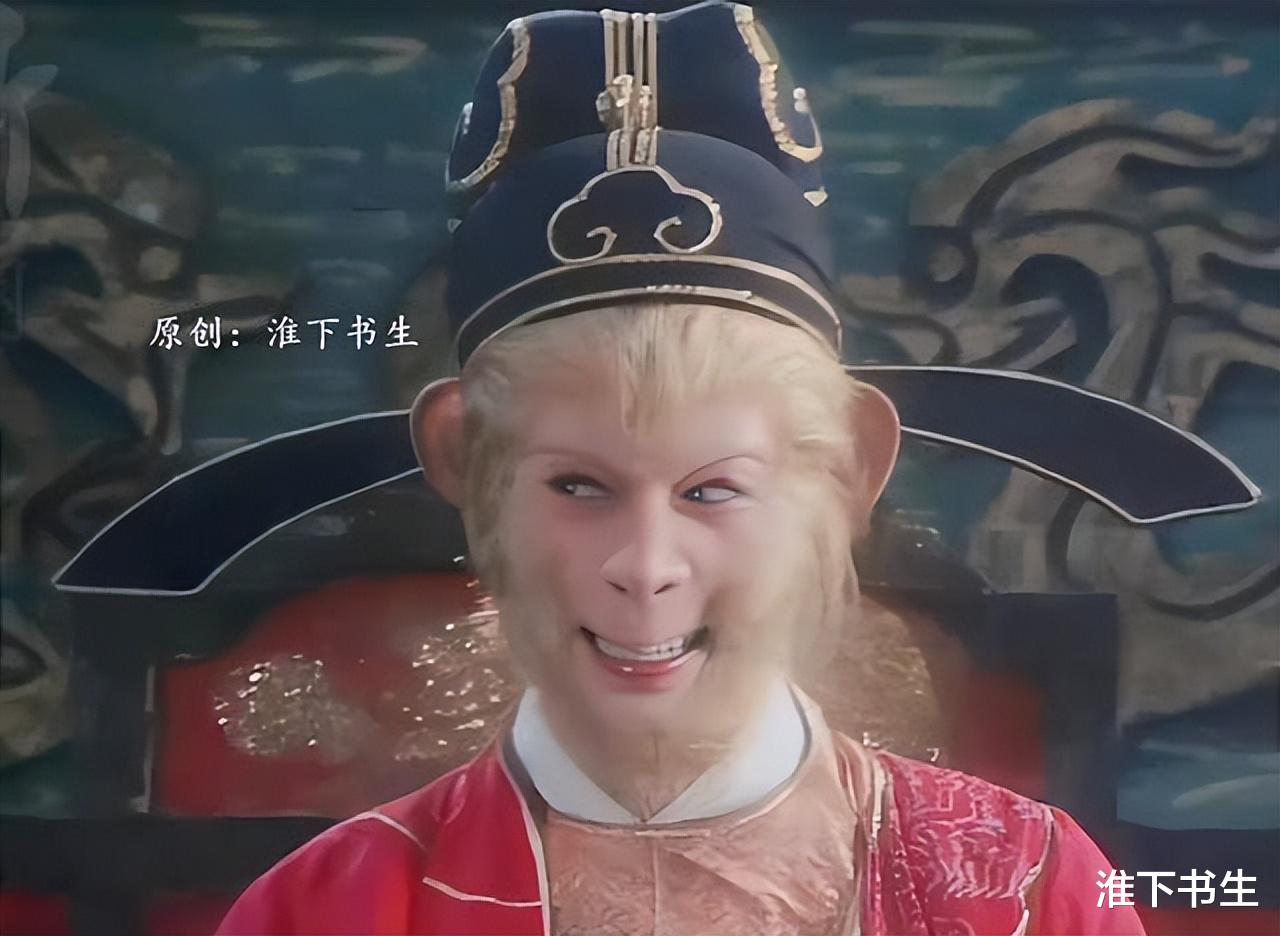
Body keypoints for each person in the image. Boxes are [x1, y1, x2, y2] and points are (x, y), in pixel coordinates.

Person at [218, 3, 1149, 933]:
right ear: (467, 465)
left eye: (713, 490)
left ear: (848, 470)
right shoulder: (324, 909)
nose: (646, 565)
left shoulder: (1032, 890)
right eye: (579, 486)